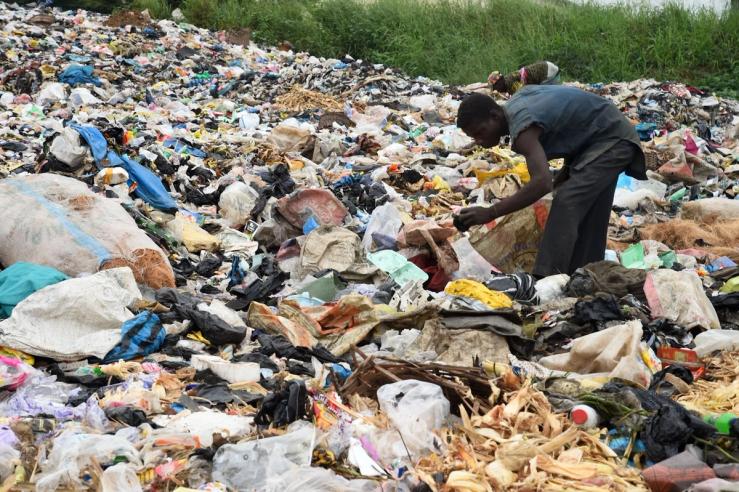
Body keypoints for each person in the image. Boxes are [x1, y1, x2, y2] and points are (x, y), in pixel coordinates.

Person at [454, 85, 646, 277]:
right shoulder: (515, 108)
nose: (478, 141)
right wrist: (566, 172)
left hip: (611, 139)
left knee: (567, 200)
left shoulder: (522, 130)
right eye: (473, 137)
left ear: (495, 116)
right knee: (591, 213)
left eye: (480, 132)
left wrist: (490, 212)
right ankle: (586, 275)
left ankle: (546, 278)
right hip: (605, 135)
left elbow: (542, 182)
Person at [488, 61, 560, 95]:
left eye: (495, 87)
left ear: (499, 82)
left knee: (545, 95)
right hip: (546, 66)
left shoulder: (509, 82)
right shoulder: (507, 79)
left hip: (547, 71)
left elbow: (522, 93)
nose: (497, 90)